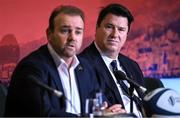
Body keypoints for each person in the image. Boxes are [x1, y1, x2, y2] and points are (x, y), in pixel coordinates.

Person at [4, 5, 122, 117]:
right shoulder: (31, 69)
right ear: (49, 34)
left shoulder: (86, 68)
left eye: (78, 32)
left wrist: (109, 112)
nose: (73, 38)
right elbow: (45, 115)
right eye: (65, 31)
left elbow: (101, 104)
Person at [78, 3, 146, 117]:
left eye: (121, 29)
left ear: (127, 34)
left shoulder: (132, 66)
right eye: (109, 27)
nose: (115, 34)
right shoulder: (82, 66)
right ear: (97, 28)